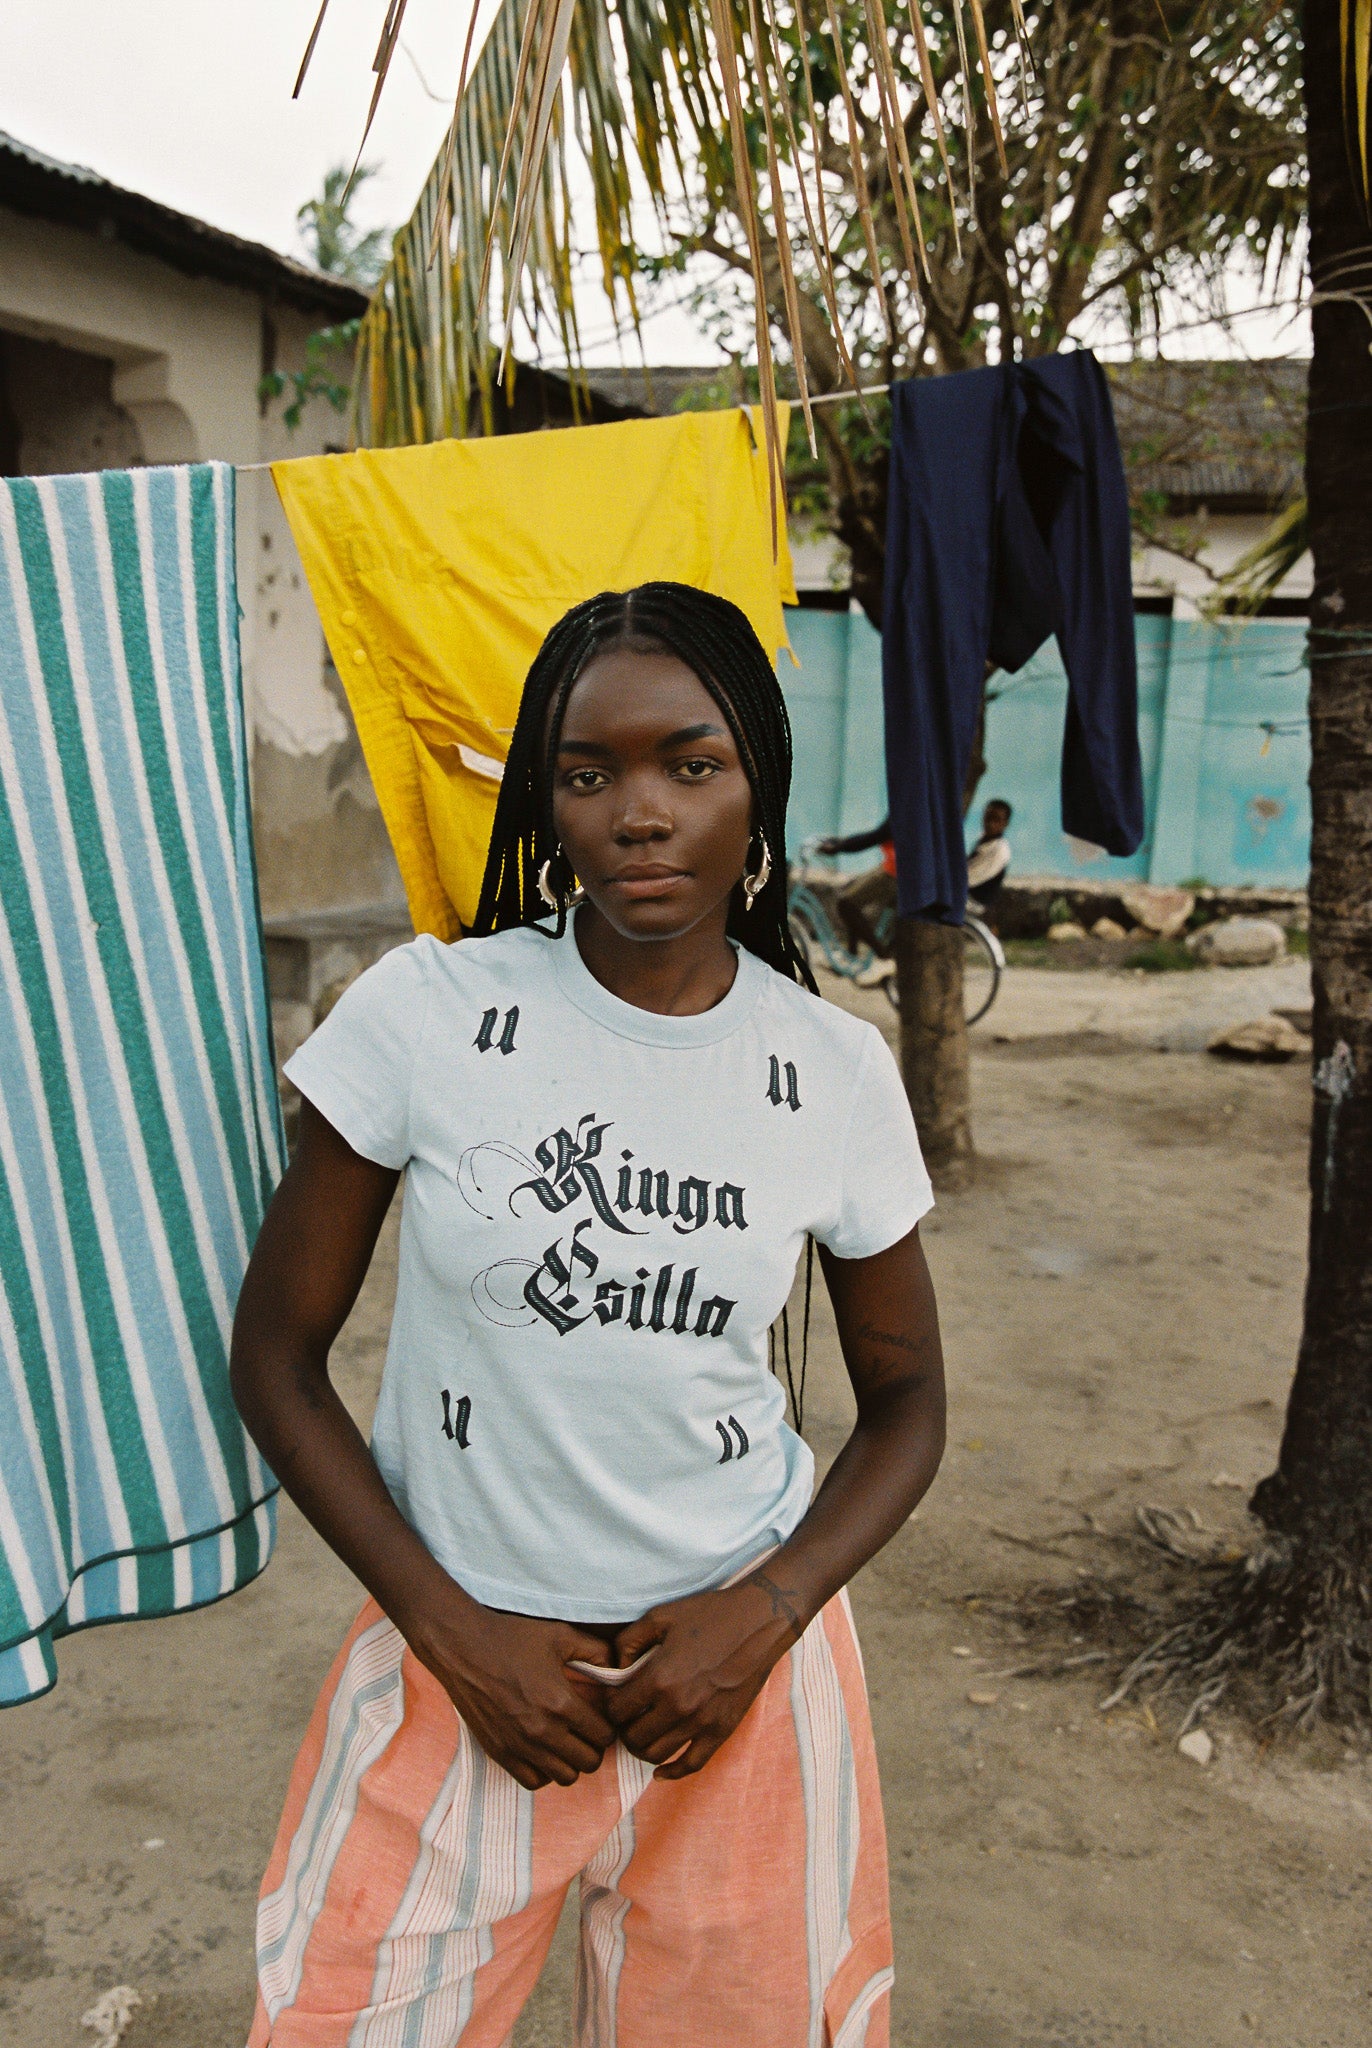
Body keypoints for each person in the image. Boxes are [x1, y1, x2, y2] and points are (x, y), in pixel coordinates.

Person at [231, 582, 946, 2048]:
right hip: (464, 1669)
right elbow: (276, 1359)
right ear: (544, 803)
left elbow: (910, 1402)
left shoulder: (830, 1068)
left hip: (738, 1689)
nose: (640, 813)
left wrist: (766, 1615)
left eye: (692, 764)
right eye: (587, 773)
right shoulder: (428, 1014)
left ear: (758, 782)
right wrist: (450, 1630)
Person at [814, 815, 897, 961]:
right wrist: (841, 842)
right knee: (849, 889)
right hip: (890, 865)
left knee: (846, 904)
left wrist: (839, 847)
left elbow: (874, 837)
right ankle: (852, 954)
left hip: (895, 872)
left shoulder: (903, 806)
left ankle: (882, 953)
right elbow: (878, 834)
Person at [966, 798, 1013, 927]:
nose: (991, 823)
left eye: (996, 819)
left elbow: (968, 878)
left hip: (974, 904)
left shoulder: (999, 850)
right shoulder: (984, 840)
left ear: (1005, 823)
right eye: (988, 817)